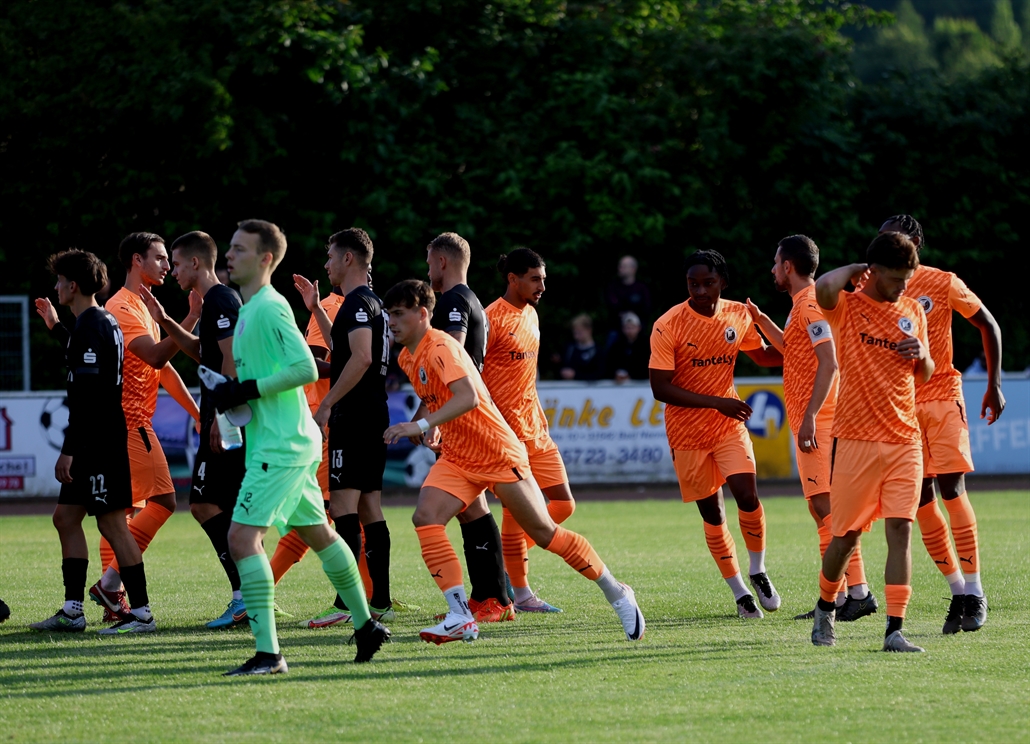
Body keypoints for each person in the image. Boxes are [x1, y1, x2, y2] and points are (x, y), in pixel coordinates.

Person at [383, 279, 645, 644]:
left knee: (544, 533)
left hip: (496, 451)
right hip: (459, 456)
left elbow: (469, 397)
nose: (391, 322)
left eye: (398, 314)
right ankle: (460, 615)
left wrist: (422, 423)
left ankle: (617, 591)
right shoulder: (407, 356)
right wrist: (434, 428)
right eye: (388, 314)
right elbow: (444, 399)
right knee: (425, 516)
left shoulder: (441, 345)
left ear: (422, 314)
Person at [210, 219, 389, 676]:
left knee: (241, 538)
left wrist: (246, 388)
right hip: (284, 442)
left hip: (282, 447)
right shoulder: (250, 309)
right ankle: (367, 625)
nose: (229, 256)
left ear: (265, 258)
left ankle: (269, 654)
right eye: (229, 248)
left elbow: (306, 367)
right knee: (318, 533)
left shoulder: (269, 307)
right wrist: (234, 394)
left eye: (239, 249)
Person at [63, 233, 199, 623]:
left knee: (120, 511)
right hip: (126, 421)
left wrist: (195, 410)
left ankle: (110, 595)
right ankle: (111, 589)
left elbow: (164, 368)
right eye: (159, 258)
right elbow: (157, 356)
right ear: (136, 260)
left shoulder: (143, 305)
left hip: (135, 421)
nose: (167, 266)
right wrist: (188, 319)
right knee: (154, 504)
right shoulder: (121, 306)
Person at [879, 214, 1004, 633]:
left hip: (943, 394)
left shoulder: (942, 280)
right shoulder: (874, 289)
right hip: (901, 404)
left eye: (892, 240)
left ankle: (976, 588)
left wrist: (994, 385)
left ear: (915, 242)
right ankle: (958, 592)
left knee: (952, 487)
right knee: (919, 501)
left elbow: (988, 323)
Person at [810, 231, 933, 652]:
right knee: (846, 537)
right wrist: (857, 270)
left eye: (907, 278)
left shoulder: (914, 310)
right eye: (896, 278)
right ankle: (826, 609)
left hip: (905, 440)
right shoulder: (849, 307)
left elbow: (927, 372)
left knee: (901, 530)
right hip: (857, 441)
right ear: (875, 271)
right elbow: (823, 287)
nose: (903, 286)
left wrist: (923, 355)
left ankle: (894, 630)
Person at [745, 236, 875, 622]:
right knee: (828, 510)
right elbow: (796, 351)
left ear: (788, 266)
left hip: (823, 421)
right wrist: (762, 321)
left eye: (775, 262)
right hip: (822, 418)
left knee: (825, 508)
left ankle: (840, 599)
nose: (771, 269)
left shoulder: (810, 305)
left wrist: (810, 416)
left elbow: (829, 363)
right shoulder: (799, 306)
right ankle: (856, 593)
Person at [649, 250, 783, 619]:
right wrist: (715, 402)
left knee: (747, 495)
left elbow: (764, 356)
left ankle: (757, 569)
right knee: (713, 515)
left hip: (727, 425)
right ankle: (740, 593)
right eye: (693, 283)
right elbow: (660, 387)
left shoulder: (739, 314)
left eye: (708, 283)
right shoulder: (668, 324)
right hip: (686, 433)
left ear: (722, 282)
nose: (701, 290)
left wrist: (808, 348)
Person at [30, 250, 155, 634]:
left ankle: (142, 613)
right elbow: (86, 363)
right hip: (95, 441)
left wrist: (68, 449)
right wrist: (56, 326)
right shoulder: (97, 322)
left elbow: (88, 396)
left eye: (59, 281)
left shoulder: (92, 324)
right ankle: (72, 610)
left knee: (113, 525)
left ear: (73, 285)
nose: (55, 288)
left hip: (98, 444)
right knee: (65, 518)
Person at [137, 231, 247, 629]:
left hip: (226, 420)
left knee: (205, 505)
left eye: (178, 264)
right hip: (225, 419)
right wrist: (164, 318)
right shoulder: (215, 302)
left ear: (196, 264)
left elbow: (233, 359)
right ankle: (248, 594)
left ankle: (245, 596)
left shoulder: (220, 298)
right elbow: (204, 351)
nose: (173, 270)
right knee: (226, 508)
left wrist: (220, 414)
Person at [294, 228, 394, 627]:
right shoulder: (374, 303)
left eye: (331, 256)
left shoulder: (355, 302)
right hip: (374, 413)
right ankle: (380, 599)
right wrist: (316, 308)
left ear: (349, 258)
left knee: (343, 509)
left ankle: (345, 603)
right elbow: (346, 352)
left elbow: (362, 359)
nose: (327, 264)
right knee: (369, 506)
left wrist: (327, 405)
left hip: (354, 417)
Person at [425, 232, 512, 623]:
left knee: (469, 512)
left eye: (429, 263)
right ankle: (492, 596)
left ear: (442, 261)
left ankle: (496, 597)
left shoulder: (454, 301)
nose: (428, 271)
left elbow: (453, 356)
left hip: (463, 423)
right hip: (463, 420)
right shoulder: (471, 299)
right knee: (470, 511)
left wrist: (431, 419)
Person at [484, 248, 573, 613]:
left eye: (543, 279)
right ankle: (521, 594)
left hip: (536, 428)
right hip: (506, 434)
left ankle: (502, 565)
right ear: (513, 279)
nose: (542, 286)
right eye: (535, 279)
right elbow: (469, 370)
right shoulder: (490, 318)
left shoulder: (532, 314)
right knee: (514, 515)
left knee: (564, 504)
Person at [605, 255, 652, 333]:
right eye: (620, 266)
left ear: (633, 269)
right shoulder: (613, 287)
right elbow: (612, 307)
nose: (620, 269)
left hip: (639, 332)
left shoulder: (642, 289)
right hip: (617, 330)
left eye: (623, 266)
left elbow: (646, 309)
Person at [605, 311, 650, 382]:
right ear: (623, 329)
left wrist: (631, 375)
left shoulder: (646, 345)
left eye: (632, 328)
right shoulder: (617, 346)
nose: (629, 331)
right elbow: (610, 365)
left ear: (639, 328)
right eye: (627, 328)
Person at [560, 313, 604, 380]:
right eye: (575, 332)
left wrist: (576, 375)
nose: (576, 336)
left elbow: (599, 374)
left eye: (580, 332)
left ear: (589, 330)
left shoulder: (598, 351)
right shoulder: (569, 349)